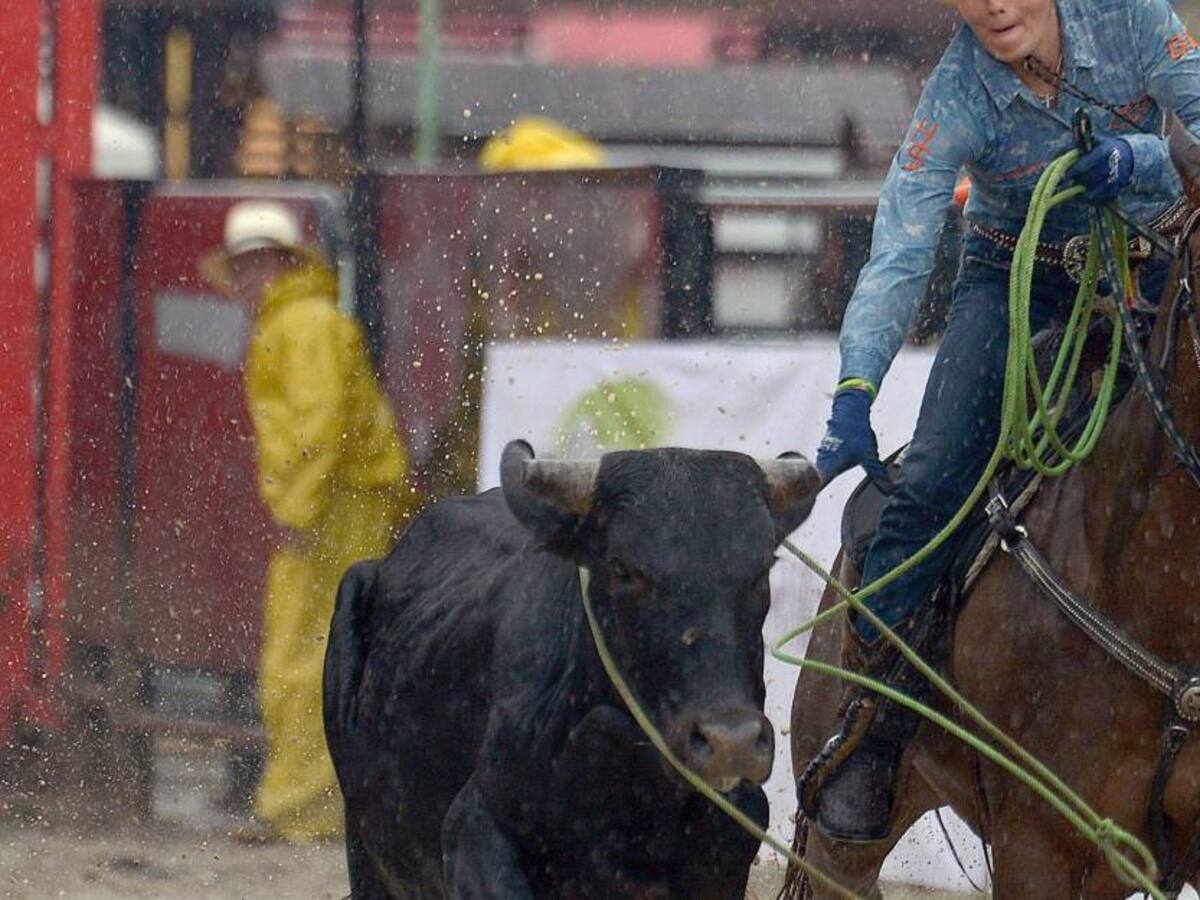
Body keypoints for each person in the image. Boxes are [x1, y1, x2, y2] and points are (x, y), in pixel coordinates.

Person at [807, 0, 1200, 843]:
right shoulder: (957, 92)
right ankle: (879, 728)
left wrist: (1140, 157)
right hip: (1012, 282)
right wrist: (856, 389)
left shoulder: (1135, 20)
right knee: (930, 485)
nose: (991, 5)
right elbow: (902, 246)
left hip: (1157, 268)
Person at [203, 200, 411, 842]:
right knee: (310, 649)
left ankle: (302, 810)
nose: (247, 279)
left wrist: (298, 509)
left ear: (280, 263)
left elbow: (319, 427)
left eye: (255, 264)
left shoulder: (303, 324)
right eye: (243, 267)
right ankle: (304, 806)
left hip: (336, 504)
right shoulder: (298, 321)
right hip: (339, 500)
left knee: (306, 652)